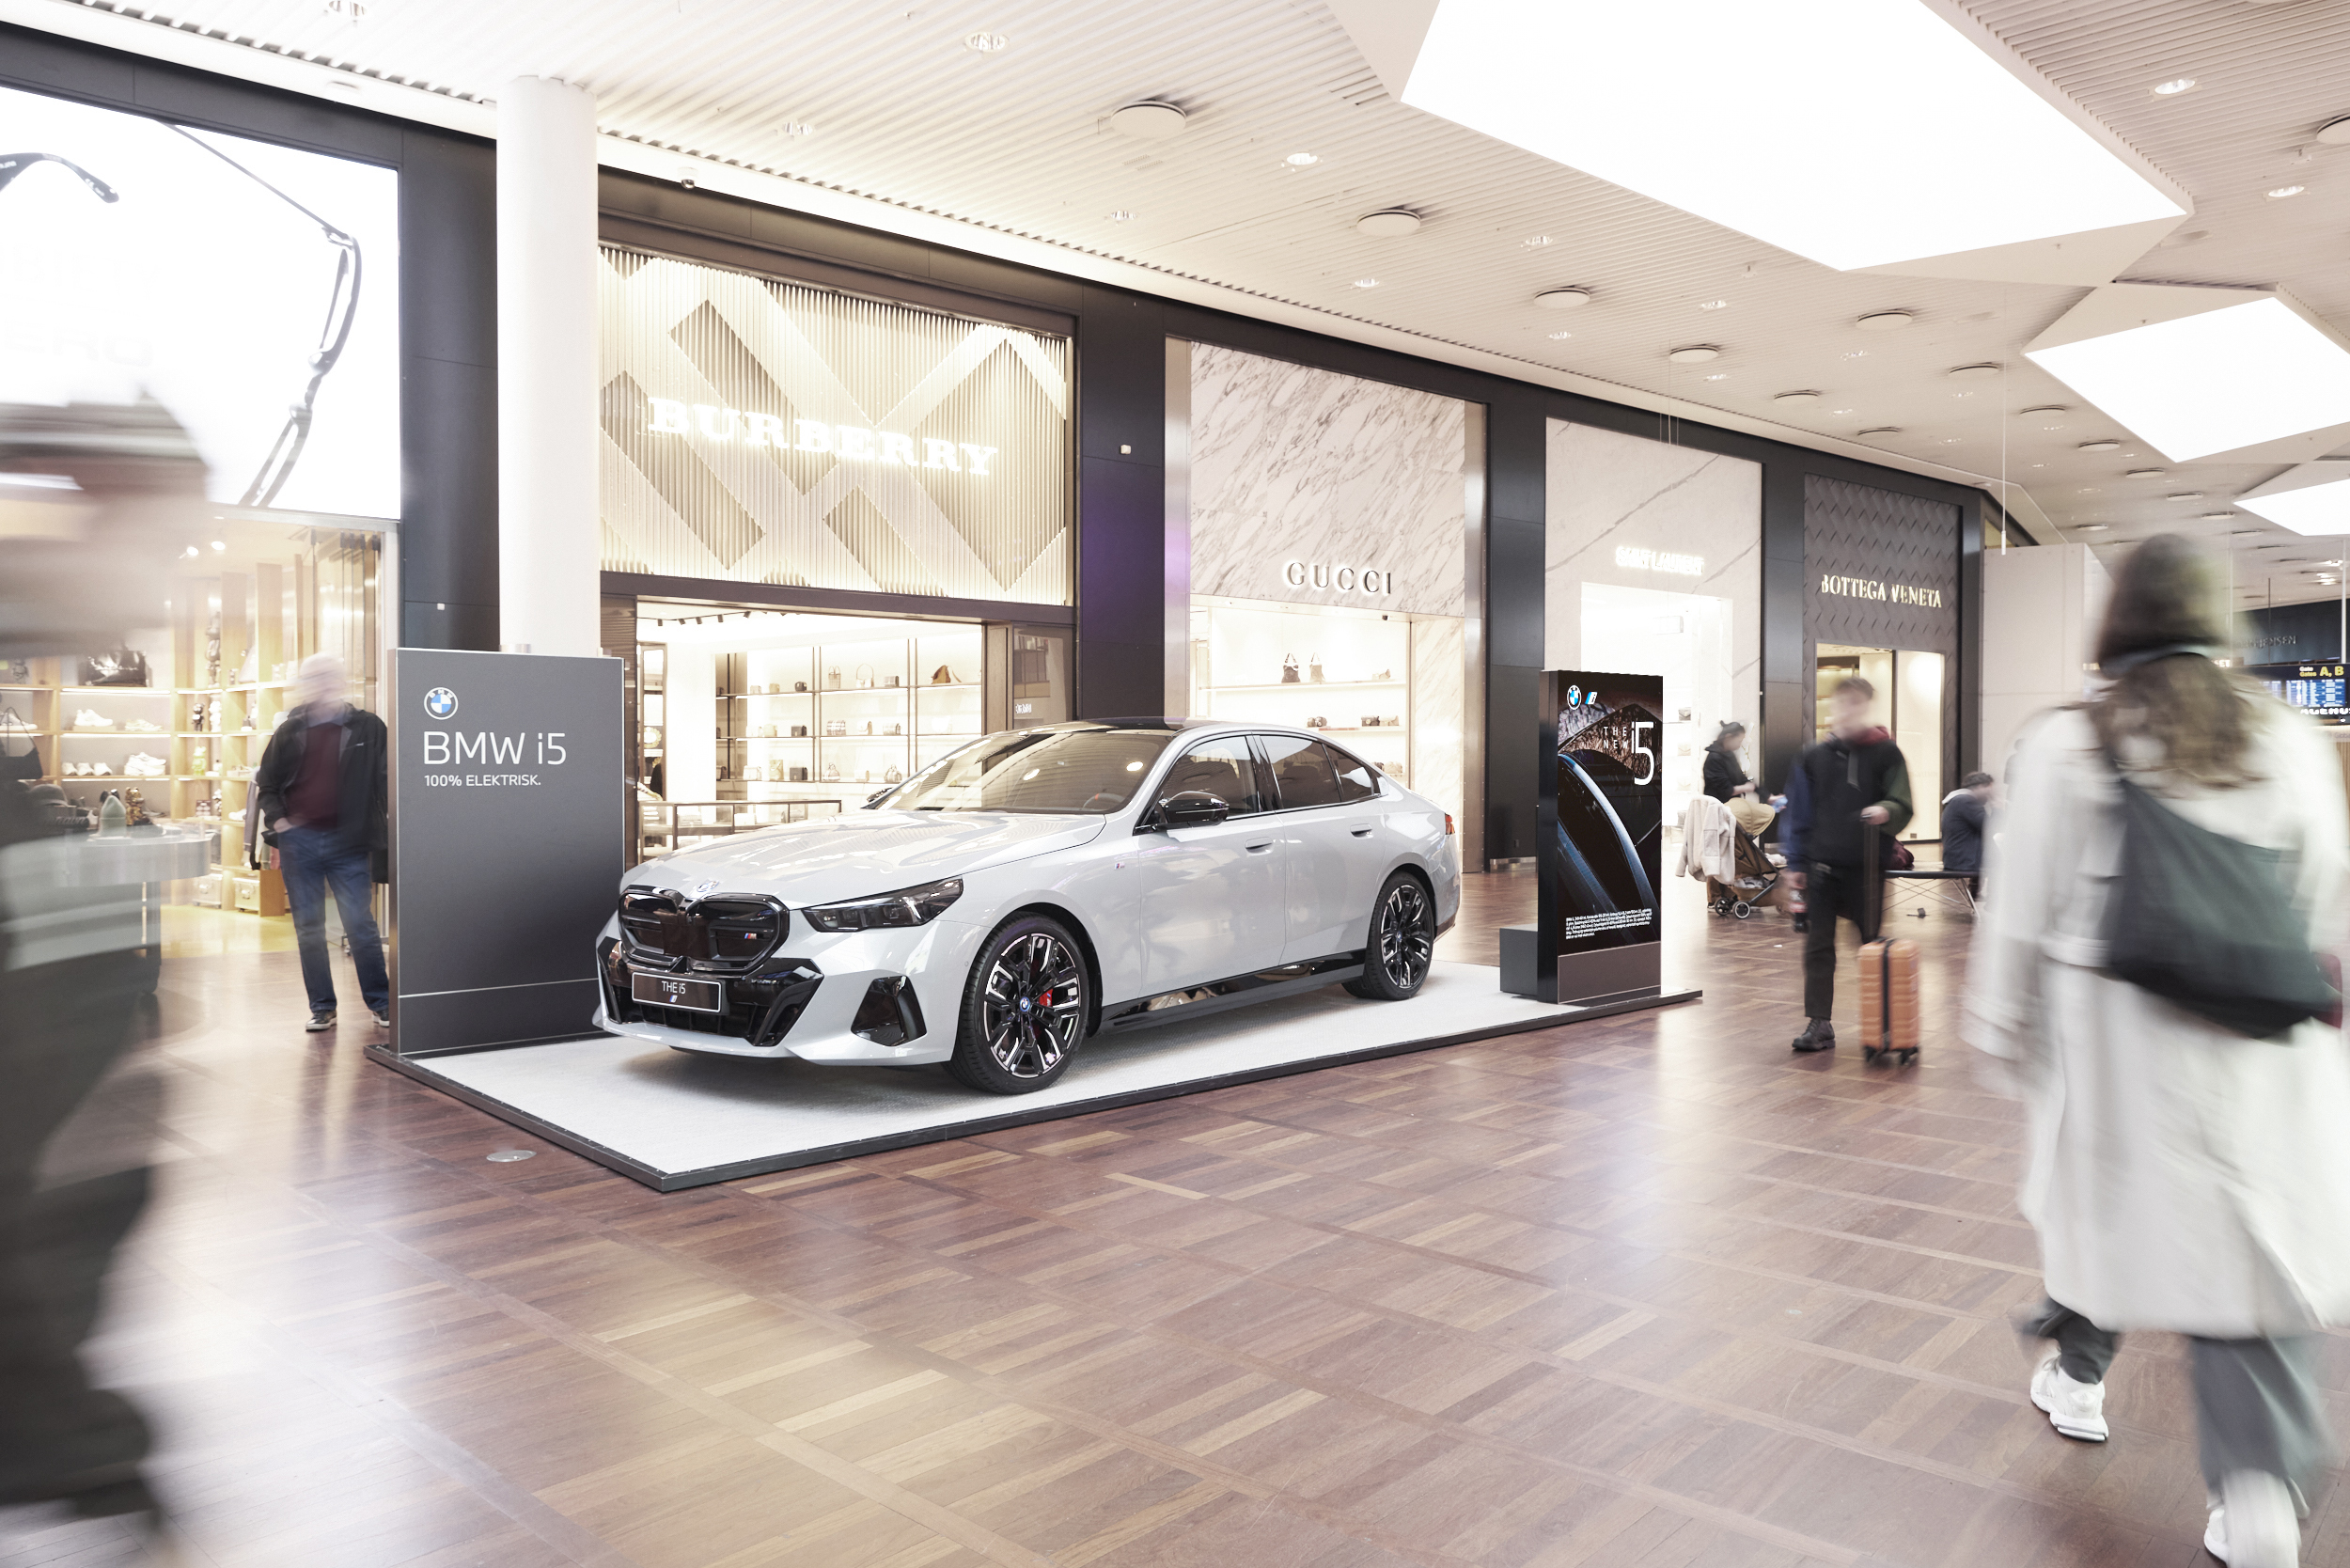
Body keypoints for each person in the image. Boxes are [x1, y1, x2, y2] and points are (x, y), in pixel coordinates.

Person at [1967, 534, 2350, 1568]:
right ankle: (2257, 1496)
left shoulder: (2068, 745)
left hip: (2117, 1060)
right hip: (2261, 1053)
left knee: (2112, 1230)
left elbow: (2017, 915)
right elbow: (2327, 904)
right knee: (2246, 1273)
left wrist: (2000, 1034)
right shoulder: (2285, 738)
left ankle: (2077, 1380)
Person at [253, 653, 390, 1032]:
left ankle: (381, 1003)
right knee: (309, 928)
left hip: (350, 842)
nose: (321, 682)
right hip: (301, 844)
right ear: (304, 683)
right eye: (313, 677)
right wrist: (280, 822)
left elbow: (387, 779)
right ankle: (322, 1007)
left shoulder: (369, 727)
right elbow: (267, 784)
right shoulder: (290, 730)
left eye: (328, 675)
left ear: (341, 680)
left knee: (360, 925)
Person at [1778, 676, 1911, 1052]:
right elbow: (1798, 812)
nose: (1847, 710)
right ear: (1833, 706)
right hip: (1821, 868)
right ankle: (1819, 1023)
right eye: (1842, 703)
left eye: (1856, 703)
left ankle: (1884, 1026)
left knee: (1871, 945)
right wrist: (1796, 862)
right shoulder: (1812, 756)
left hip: (1866, 868)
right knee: (1818, 947)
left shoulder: (1886, 753)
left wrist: (1886, 810)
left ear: (1866, 706)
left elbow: (1902, 801)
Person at [1940, 770, 1995, 893]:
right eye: (1989, 788)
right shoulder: (1966, 801)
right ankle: (1993, 901)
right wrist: (1997, 807)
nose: (1991, 793)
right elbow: (1989, 827)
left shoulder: (1959, 800)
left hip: (1959, 858)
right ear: (1980, 786)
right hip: (1964, 861)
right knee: (2007, 863)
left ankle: (1977, 894)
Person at [1701, 721, 1758, 803]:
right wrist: (1746, 787)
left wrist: (1766, 796)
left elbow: (1741, 778)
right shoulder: (1714, 758)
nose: (1740, 745)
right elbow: (1725, 790)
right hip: (1718, 806)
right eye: (1739, 741)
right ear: (1728, 737)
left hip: (1731, 804)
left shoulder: (1729, 755)